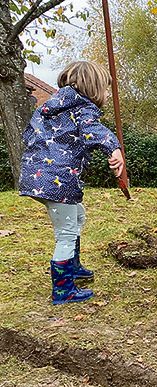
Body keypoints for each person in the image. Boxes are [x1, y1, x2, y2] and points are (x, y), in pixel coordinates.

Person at [19, 61, 125, 305]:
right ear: (93, 87)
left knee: (77, 216)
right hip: (58, 180)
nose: (107, 94)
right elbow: (92, 130)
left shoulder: (55, 106)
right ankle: (63, 289)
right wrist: (114, 148)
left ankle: (73, 267)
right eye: (106, 89)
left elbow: (30, 134)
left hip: (37, 176)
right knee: (66, 233)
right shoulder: (82, 106)